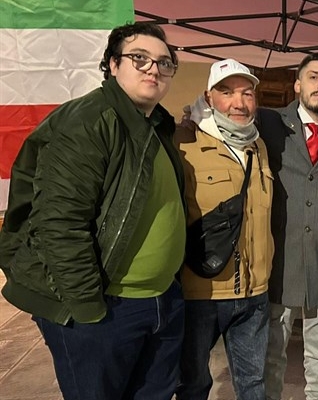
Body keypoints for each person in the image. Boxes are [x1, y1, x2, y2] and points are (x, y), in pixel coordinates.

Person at [0, 23, 185, 400]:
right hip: (106, 309)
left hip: (160, 299)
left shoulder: (156, 126)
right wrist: (87, 309)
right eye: (140, 58)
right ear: (113, 65)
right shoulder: (87, 121)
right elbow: (60, 223)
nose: (154, 69)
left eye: (164, 63)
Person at [174, 59, 274, 400]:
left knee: (253, 385)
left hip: (255, 292)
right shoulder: (184, 143)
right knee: (193, 385)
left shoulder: (258, 147)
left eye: (247, 93)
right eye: (227, 92)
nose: (239, 103)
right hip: (202, 294)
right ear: (208, 96)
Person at [258, 52, 318, 400]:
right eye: (313, 77)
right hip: (278, 268)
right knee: (270, 363)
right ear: (297, 84)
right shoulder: (268, 124)